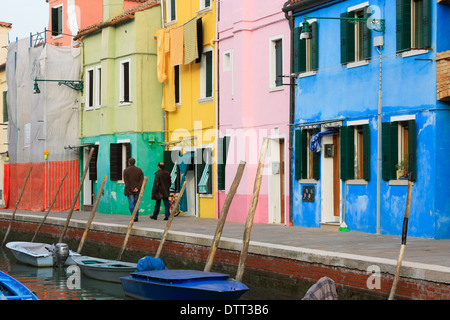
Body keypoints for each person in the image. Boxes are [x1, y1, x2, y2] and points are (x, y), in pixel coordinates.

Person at [123, 158, 144, 222]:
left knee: (131, 204)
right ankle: (136, 216)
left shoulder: (126, 171)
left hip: (129, 190)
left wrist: (132, 189)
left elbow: (126, 182)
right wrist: (137, 188)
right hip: (137, 190)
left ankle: (134, 216)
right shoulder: (139, 170)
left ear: (129, 163)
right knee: (136, 203)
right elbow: (142, 180)